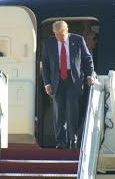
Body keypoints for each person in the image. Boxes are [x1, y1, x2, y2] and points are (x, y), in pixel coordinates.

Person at [42, 20, 95, 149]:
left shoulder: (78, 40)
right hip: (56, 80)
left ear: (66, 31)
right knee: (58, 111)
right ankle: (60, 141)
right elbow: (46, 65)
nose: (58, 37)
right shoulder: (49, 43)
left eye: (61, 34)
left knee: (72, 109)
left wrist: (89, 75)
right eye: (56, 34)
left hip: (74, 80)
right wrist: (47, 83)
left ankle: (73, 139)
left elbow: (87, 59)